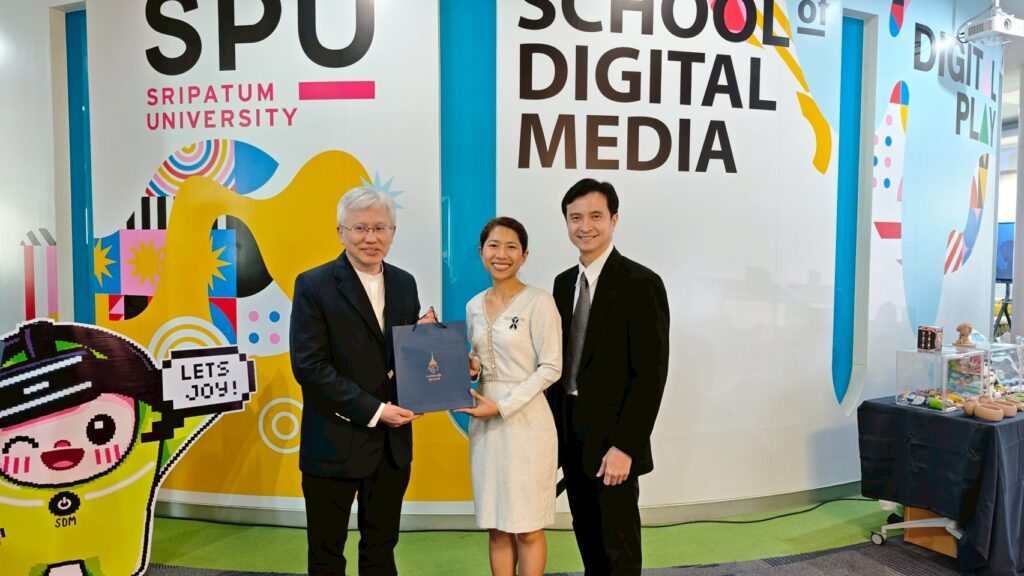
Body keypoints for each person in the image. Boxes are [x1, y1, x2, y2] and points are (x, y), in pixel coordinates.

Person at [289, 187, 434, 576]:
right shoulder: (313, 284)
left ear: (393, 232)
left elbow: (404, 356)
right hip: (333, 443)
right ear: (341, 232)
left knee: (381, 552)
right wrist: (375, 410)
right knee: (326, 556)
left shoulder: (405, 283)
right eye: (360, 228)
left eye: (380, 228)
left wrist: (439, 356)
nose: (371, 237)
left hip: (391, 448)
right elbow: (309, 366)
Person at [548, 179, 670, 576]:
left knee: (619, 546)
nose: (585, 226)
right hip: (571, 435)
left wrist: (626, 446)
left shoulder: (641, 283)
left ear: (614, 220)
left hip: (613, 442)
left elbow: (651, 375)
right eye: (575, 218)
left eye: (595, 216)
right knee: (586, 535)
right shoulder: (562, 284)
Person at [456, 217, 562, 576]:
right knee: (497, 526)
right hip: (485, 427)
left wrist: (502, 406)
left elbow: (551, 367)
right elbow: (481, 359)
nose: (501, 254)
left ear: (524, 255)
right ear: (481, 252)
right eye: (493, 245)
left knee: (528, 527)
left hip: (527, 423)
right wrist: (472, 367)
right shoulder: (473, 305)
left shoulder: (539, 302)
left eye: (511, 247)